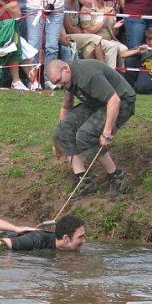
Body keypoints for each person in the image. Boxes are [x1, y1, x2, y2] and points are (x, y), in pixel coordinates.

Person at [46, 58, 133, 200]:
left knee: (85, 136)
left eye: (58, 80)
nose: (59, 84)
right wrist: (58, 142)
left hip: (122, 102)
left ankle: (117, 177)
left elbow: (114, 100)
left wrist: (107, 132)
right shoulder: (68, 79)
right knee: (61, 132)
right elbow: (66, 107)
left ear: (65, 69)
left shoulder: (87, 75)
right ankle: (84, 181)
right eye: (55, 83)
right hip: (96, 103)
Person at [0, 215, 86, 251]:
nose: (84, 241)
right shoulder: (36, 240)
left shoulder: (62, 248)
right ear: (66, 239)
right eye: (80, 237)